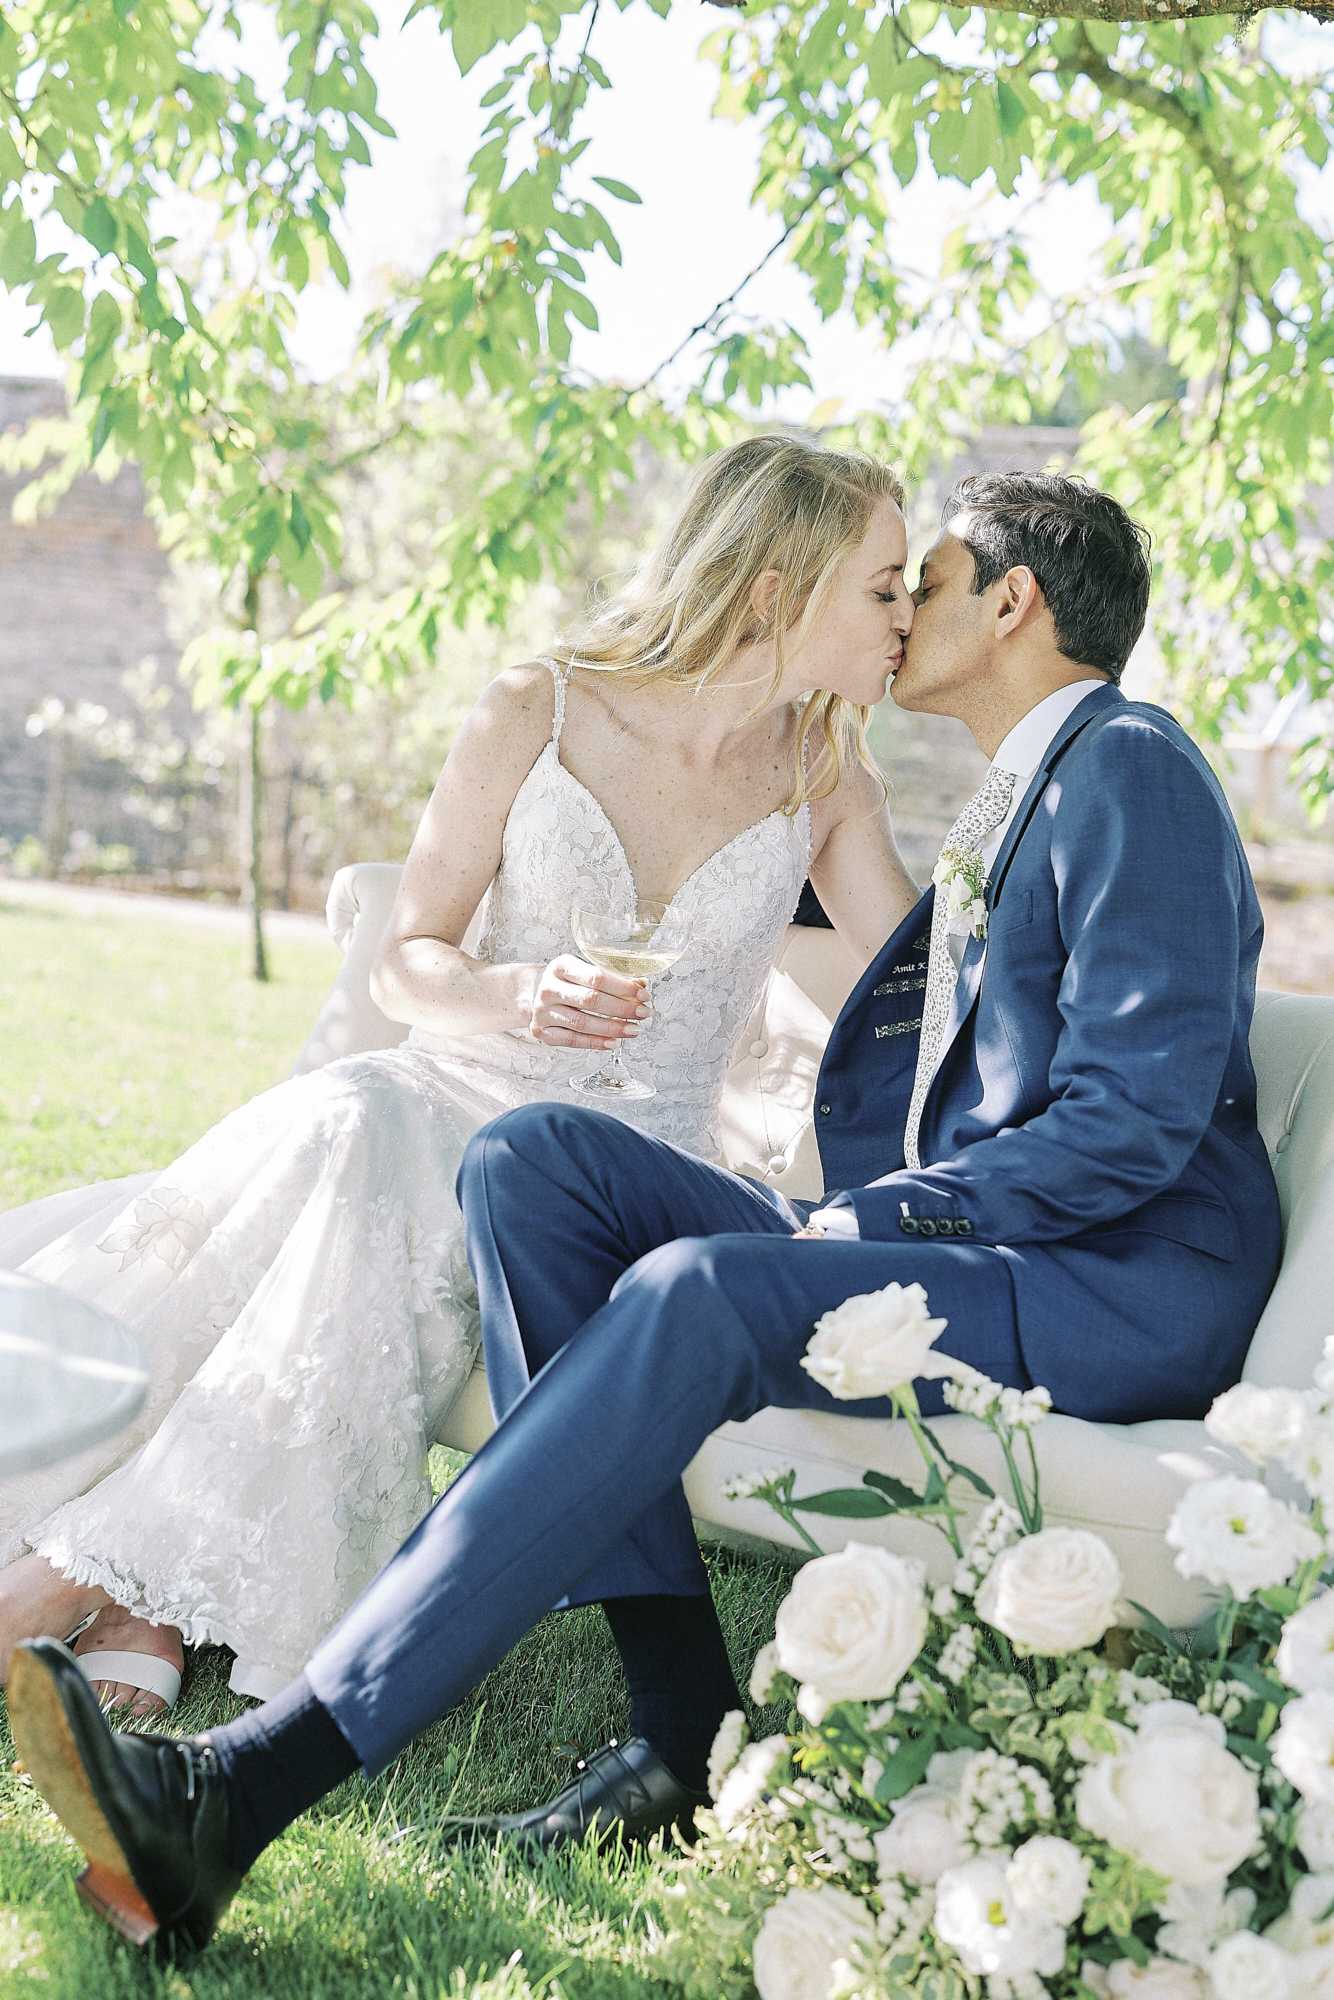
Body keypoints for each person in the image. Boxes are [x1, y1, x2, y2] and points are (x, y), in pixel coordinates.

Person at [7, 469, 1282, 1959]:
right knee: (534, 1163)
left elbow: (1129, 1122)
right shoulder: (1014, 796)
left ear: (1010, 603)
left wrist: (844, 1227)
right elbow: (922, 1033)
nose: (896, 614)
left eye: (915, 583)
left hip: (1115, 1279)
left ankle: (242, 1787)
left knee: (691, 1288)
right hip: (1008, 1238)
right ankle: (678, 1729)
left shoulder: (1131, 764)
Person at [0, 433, 919, 1718]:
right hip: (450, 1086)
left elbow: (917, 973)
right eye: (880, 585)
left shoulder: (826, 772)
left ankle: (66, 1587)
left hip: (617, 1174)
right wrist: (510, 992)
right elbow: (406, 961)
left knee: (365, 1156)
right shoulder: (535, 708)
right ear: (772, 588)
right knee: (361, 1117)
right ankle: (136, 1592)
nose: (905, 613)